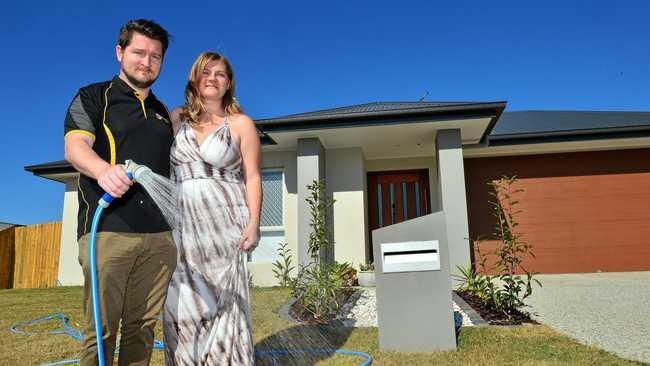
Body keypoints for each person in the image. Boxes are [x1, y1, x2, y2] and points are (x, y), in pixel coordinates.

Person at [64, 19, 177, 366]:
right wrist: (103, 170)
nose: (146, 62)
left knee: (142, 328)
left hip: (159, 237)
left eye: (155, 56)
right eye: (139, 53)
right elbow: (76, 148)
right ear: (120, 52)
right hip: (109, 230)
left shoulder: (162, 113)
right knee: (102, 329)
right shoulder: (93, 96)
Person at [163, 52, 262, 365]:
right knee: (181, 305)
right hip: (182, 224)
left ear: (228, 83)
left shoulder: (241, 124)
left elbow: (253, 175)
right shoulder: (176, 118)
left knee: (225, 304)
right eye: (206, 72)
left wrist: (254, 223)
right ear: (195, 78)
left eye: (220, 74)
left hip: (226, 221)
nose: (212, 78)